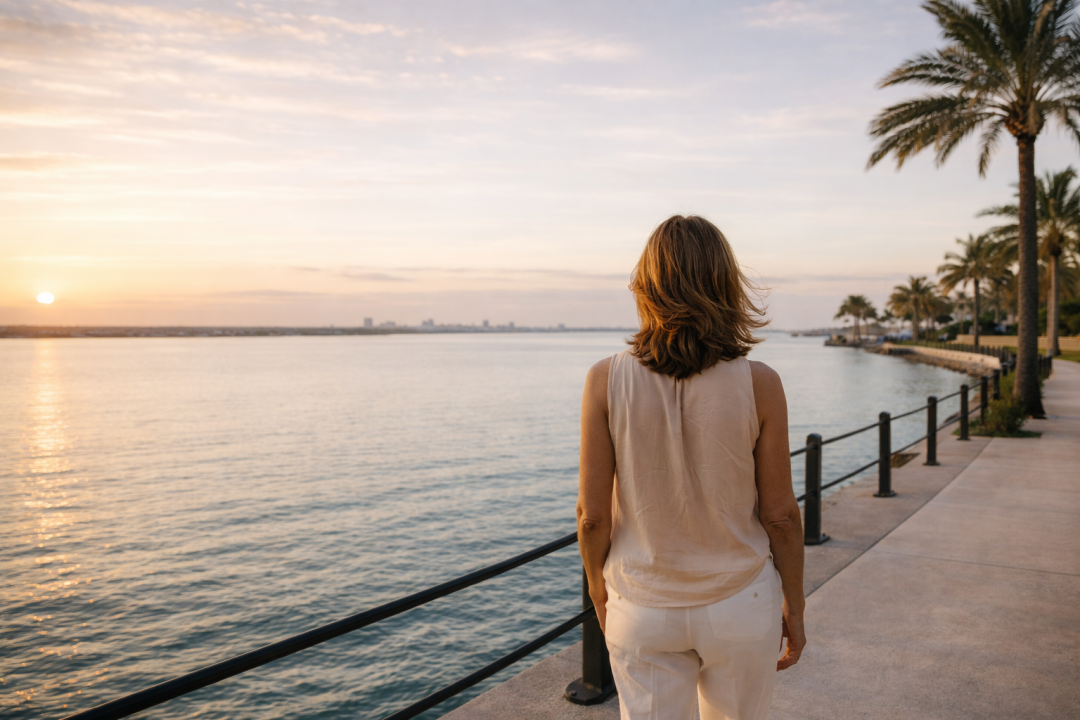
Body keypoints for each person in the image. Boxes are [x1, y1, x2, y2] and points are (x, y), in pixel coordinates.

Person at [576, 215, 806, 720]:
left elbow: (591, 516)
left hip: (641, 603)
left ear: (647, 286)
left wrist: (597, 584)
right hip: (740, 603)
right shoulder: (760, 383)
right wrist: (795, 604)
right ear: (724, 284)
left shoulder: (604, 380)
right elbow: (781, 515)